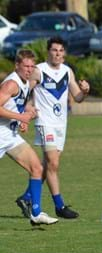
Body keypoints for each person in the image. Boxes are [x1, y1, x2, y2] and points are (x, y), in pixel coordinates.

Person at [15, 36, 90, 220]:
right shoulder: (39, 70)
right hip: (44, 123)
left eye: (61, 50)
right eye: (54, 50)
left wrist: (86, 91)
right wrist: (24, 115)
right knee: (53, 163)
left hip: (61, 125)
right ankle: (59, 205)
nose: (58, 54)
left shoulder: (67, 71)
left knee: (48, 166)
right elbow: (25, 92)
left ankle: (26, 197)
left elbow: (78, 97)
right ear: (48, 51)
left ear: (64, 54)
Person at [1, 50, 58, 225]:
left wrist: (25, 113)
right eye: (25, 66)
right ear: (17, 65)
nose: (29, 69)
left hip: (10, 136)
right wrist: (21, 118)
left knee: (37, 168)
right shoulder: (11, 83)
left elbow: (17, 103)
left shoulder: (25, 82)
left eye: (32, 66)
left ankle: (36, 213)